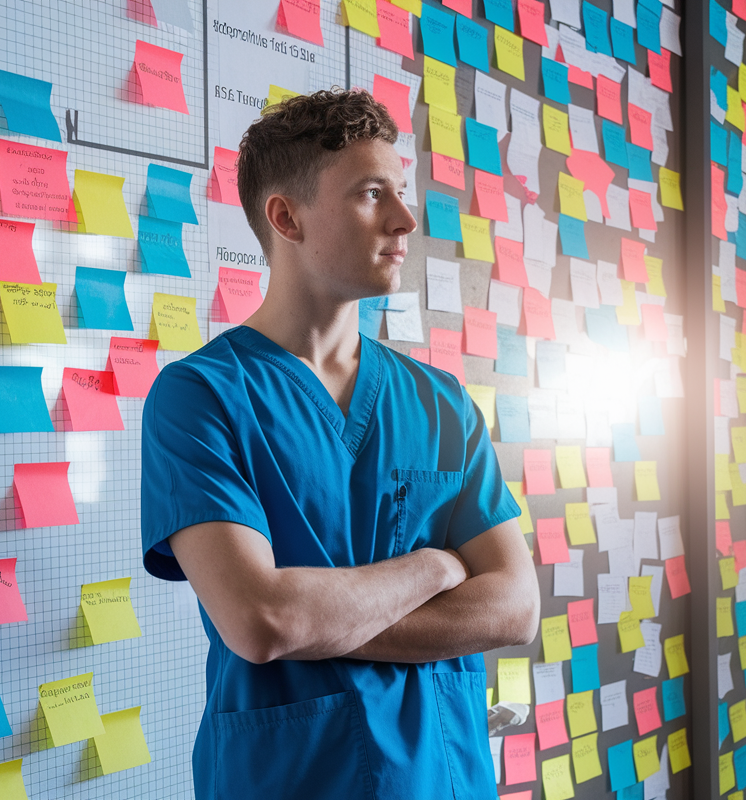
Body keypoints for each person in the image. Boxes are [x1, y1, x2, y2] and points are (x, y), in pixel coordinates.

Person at [140, 89, 541, 799]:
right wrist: (433, 566)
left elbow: (513, 607)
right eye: (370, 194)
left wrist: (316, 620)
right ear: (286, 216)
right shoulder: (200, 397)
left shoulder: (439, 400)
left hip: (444, 778)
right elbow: (263, 620)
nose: (405, 219)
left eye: (403, 193)